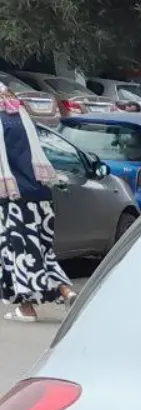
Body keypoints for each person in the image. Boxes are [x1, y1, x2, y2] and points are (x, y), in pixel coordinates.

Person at [0, 83, 73, 323]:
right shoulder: (22, 118)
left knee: (19, 252)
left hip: (15, 197)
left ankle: (27, 308)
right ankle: (66, 291)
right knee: (42, 250)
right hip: (41, 195)